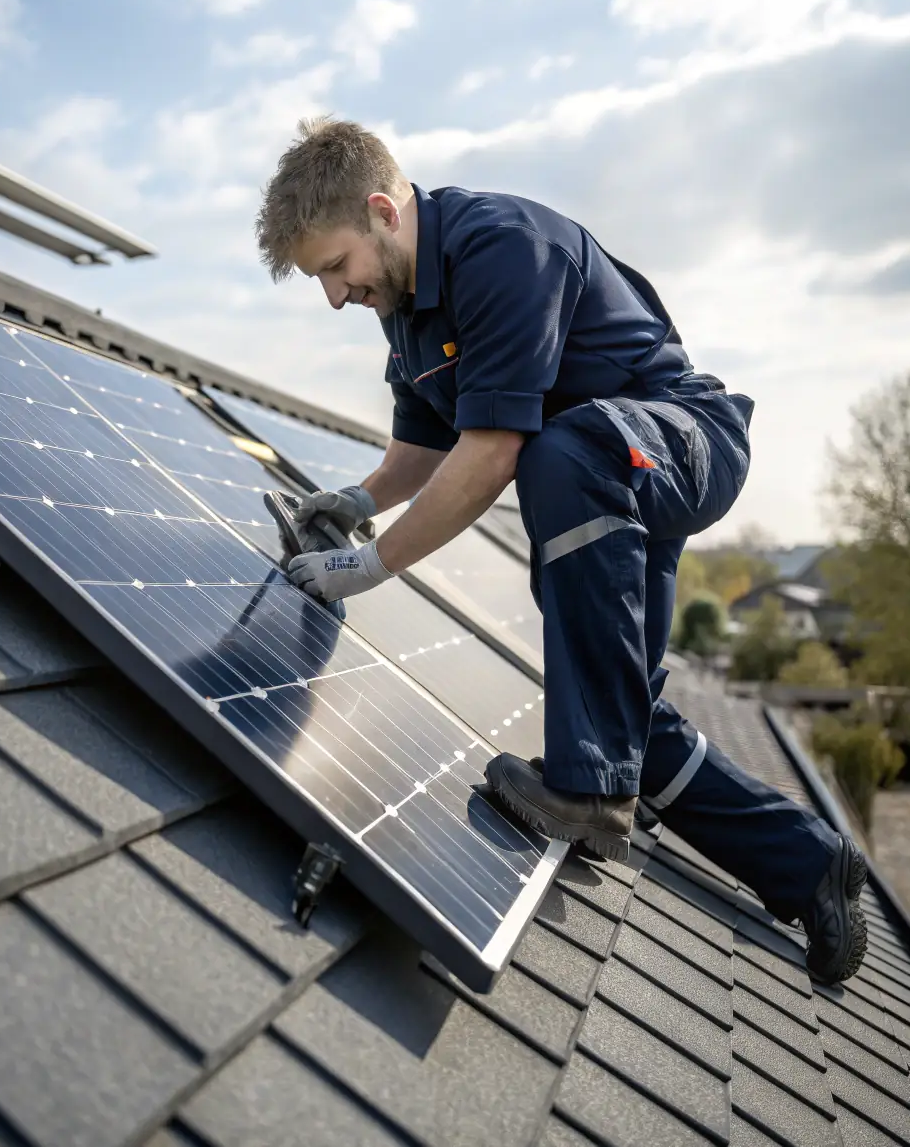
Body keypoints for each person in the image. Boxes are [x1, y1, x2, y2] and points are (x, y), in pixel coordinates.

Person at [254, 116, 867, 986]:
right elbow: (424, 447)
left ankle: (589, 791)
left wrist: (366, 566)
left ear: (384, 213)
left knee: (557, 453)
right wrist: (358, 501)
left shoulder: (501, 249)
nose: (333, 295)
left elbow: (492, 451)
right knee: (618, 710)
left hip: (683, 439)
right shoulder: (404, 309)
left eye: (333, 266)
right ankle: (812, 865)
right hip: (607, 477)